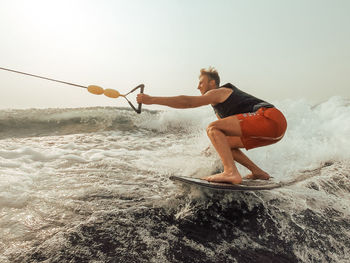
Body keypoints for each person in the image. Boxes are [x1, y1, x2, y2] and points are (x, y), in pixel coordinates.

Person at [137, 67, 287, 184]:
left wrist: (151, 100)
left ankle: (230, 172)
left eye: (201, 82)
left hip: (270, 118)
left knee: (212, 127)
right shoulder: (219, 108)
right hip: (274, 130)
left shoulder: (220, 92)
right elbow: (222, 139)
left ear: (212, 83)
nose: (198, 87)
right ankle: (258, 173)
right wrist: (212, 148)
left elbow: (187, 102)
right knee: (222, 143)